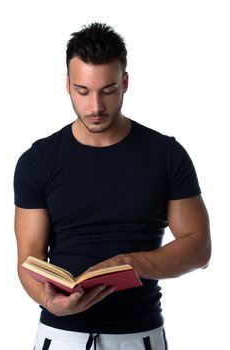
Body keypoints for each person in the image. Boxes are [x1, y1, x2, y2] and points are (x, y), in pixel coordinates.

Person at [14, 22, 211, 350]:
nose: (95, 107)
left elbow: (200, 248)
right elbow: (28, 259)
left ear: (125, 83)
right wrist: (49, 301)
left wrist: (131, 264)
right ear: (67, 85)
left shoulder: (166, 155)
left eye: (108, 90)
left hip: (138, 335)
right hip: (61, 336)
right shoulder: (38, 160)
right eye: (83, 91)